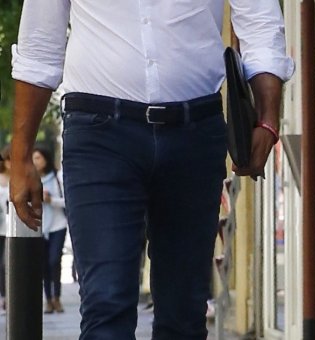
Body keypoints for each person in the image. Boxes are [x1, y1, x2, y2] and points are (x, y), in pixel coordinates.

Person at [10, 1, 293, 339]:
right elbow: (40, 44)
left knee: (185, 312)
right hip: (99, 135)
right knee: (106, 303)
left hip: (195, 131)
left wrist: (267, 115)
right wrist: (21, 153)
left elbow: (260, 19)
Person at [32, 146, 67, 314]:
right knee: (43, 264)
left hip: (58, 226)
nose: (35, 161)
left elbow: (68, 201)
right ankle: (48, 300)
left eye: (38, 157)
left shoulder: (58, 178)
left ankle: (57, 297)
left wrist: (50, 200)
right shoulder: (29, 179)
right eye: (33, 158)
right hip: (39, 227)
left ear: (46, 159)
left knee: (54, 261)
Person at [0, 144, 10, 311]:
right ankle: (4, 296)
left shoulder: (23, 177)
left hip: (16, 228)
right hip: (1, 227)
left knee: (10, 263)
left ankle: (11, 296)